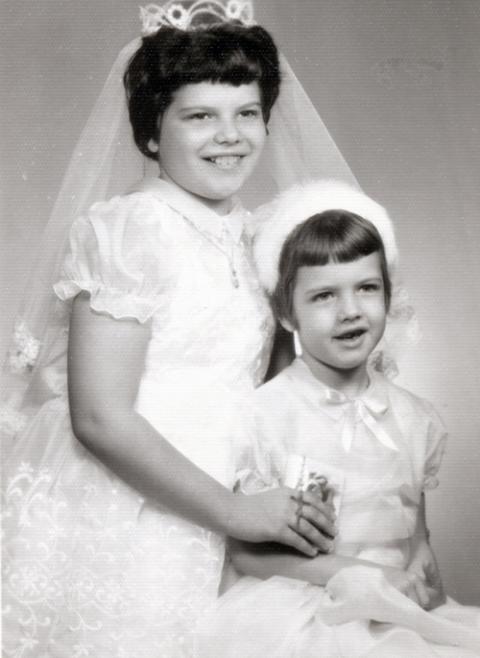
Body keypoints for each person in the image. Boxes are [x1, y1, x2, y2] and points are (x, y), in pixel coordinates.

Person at [0, 4, 355, 656]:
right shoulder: (132, 229)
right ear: (153, 134)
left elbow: (271, 385)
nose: (231, 136)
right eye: (200, 116)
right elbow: (100, 417)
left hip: (229, 505)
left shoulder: (256, 233)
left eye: (247, 113)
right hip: (129, 510)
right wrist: (236, 512)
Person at [195, 180, 480, 657]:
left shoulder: (415, 418)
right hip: (304, 613)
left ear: (389, 296)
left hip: (394, 610)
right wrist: (366, 578)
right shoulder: (264, 415)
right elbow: (246, 553)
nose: (350, 311)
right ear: (287, 315)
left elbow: (414, 537)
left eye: (367, 288)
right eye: (324, 296)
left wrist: (419, 574)